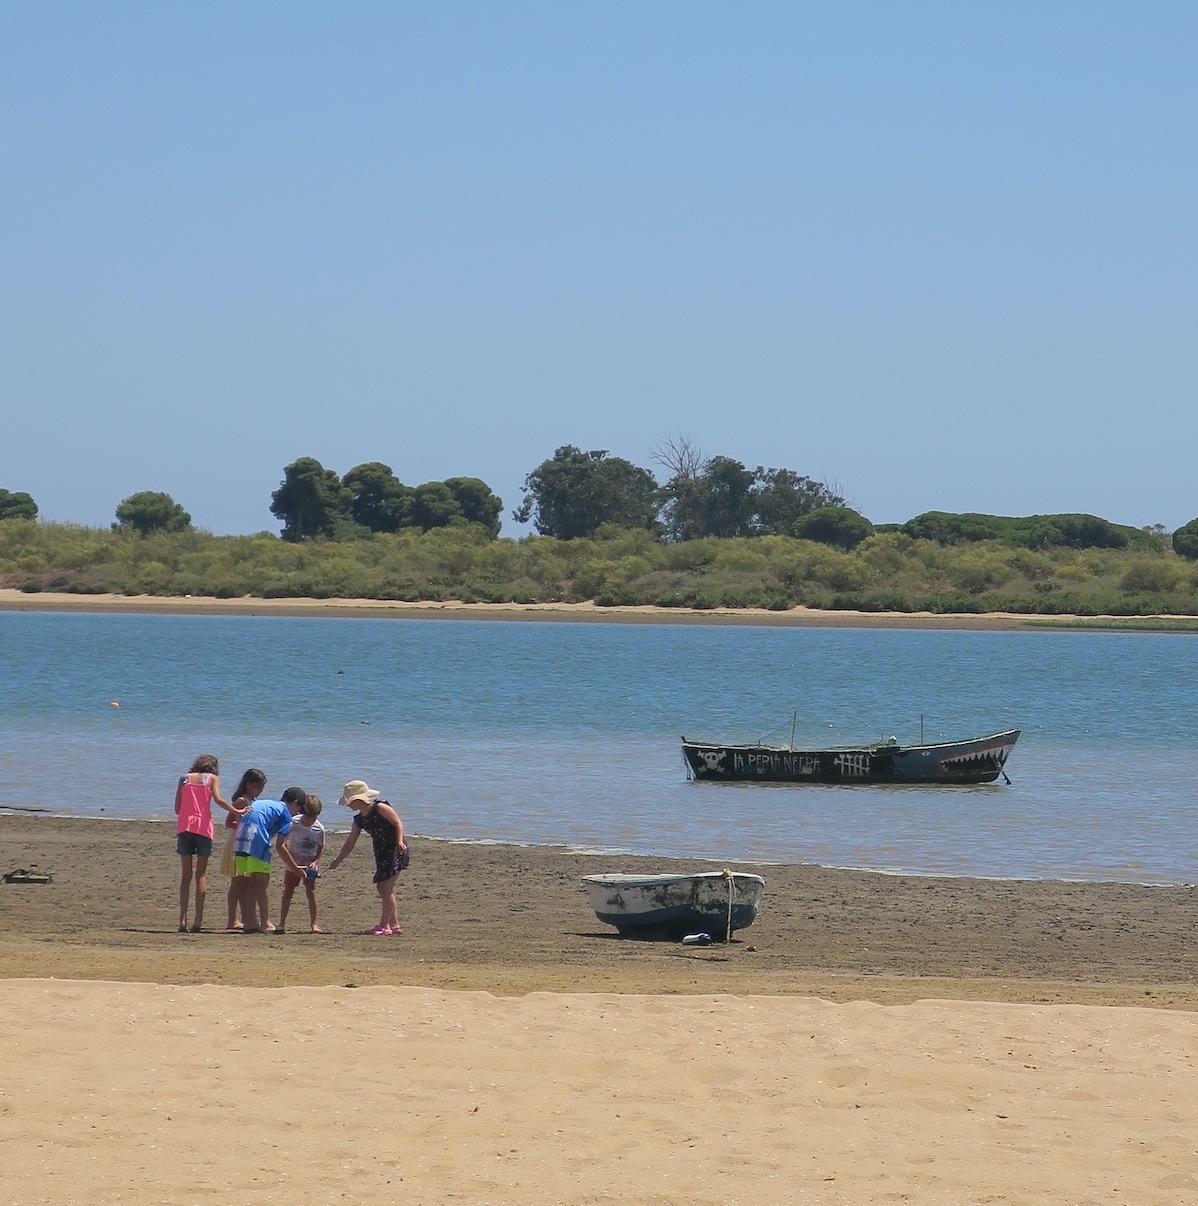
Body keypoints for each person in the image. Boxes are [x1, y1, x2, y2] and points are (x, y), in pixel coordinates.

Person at [326, 779, 409, 935]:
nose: (348, 805)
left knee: (385, 887)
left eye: (349, 801)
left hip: (396, 849)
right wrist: (338, 860)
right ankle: (394, 925)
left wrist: (399, 840)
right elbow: (350, 842)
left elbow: (398, 822)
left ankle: (385, 926)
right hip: (381, 852)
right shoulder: (359, 820)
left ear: (358, 799)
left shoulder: (380, 808)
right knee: (384, 887)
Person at [174, 755, 243, 933]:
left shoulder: (184, 779)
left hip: (185, 827)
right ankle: (198, 919)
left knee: (186, 876)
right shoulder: (212, 779)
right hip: (203, 828)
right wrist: (236, 811)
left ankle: (182, 920)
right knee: (201, 875)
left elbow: (177, 808)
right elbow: (219, 800)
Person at [233, 786, 309, 934]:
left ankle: (249, 922)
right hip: (256, 838)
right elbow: (280, 846)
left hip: (241, 837)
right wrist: (296, 869)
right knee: (261, 882)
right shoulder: (286, 815)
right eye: (299, 809)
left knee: (248, 882)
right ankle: (265, 922)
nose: (297, 814)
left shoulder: (268, 804)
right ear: (295, 803)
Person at [223, 768, 267, 931]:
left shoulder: (253, 801)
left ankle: (244, 917)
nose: (260, 790)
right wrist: (245, 825)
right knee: (237, 882)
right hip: (237, 842)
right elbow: (228, 822)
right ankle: (231, 919)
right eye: (258, 786)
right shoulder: (241, 801)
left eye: (262, 787)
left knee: (245, 881)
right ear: (248, 784)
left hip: (248, 842)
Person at [277, 793, 325, 934]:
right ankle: (281, 923)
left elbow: (320, 847)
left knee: (311, 892)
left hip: (308, 865)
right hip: (293, 864)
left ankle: (314, 924)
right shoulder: (293, 822)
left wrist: (315, 861)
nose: (311, 820)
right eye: (309, 816)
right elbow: (283, 841)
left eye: (314, 817)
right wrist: (290, 860)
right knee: (288, 891)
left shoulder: (319, 829)